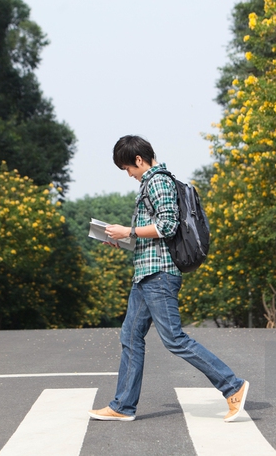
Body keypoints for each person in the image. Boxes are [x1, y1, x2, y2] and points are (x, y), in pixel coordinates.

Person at [88, 135, 249, 423]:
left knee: (175, 339)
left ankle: (233, 386)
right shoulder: (149, 184)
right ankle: (123, 405)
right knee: (130, 336)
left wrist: (129, 231)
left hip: (159, 275)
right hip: (145, 273)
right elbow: (154, 235)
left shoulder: (157, 181)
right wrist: (123, 239)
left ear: (139, 160)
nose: (129, 175)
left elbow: (167, 225)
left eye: (128, 168)